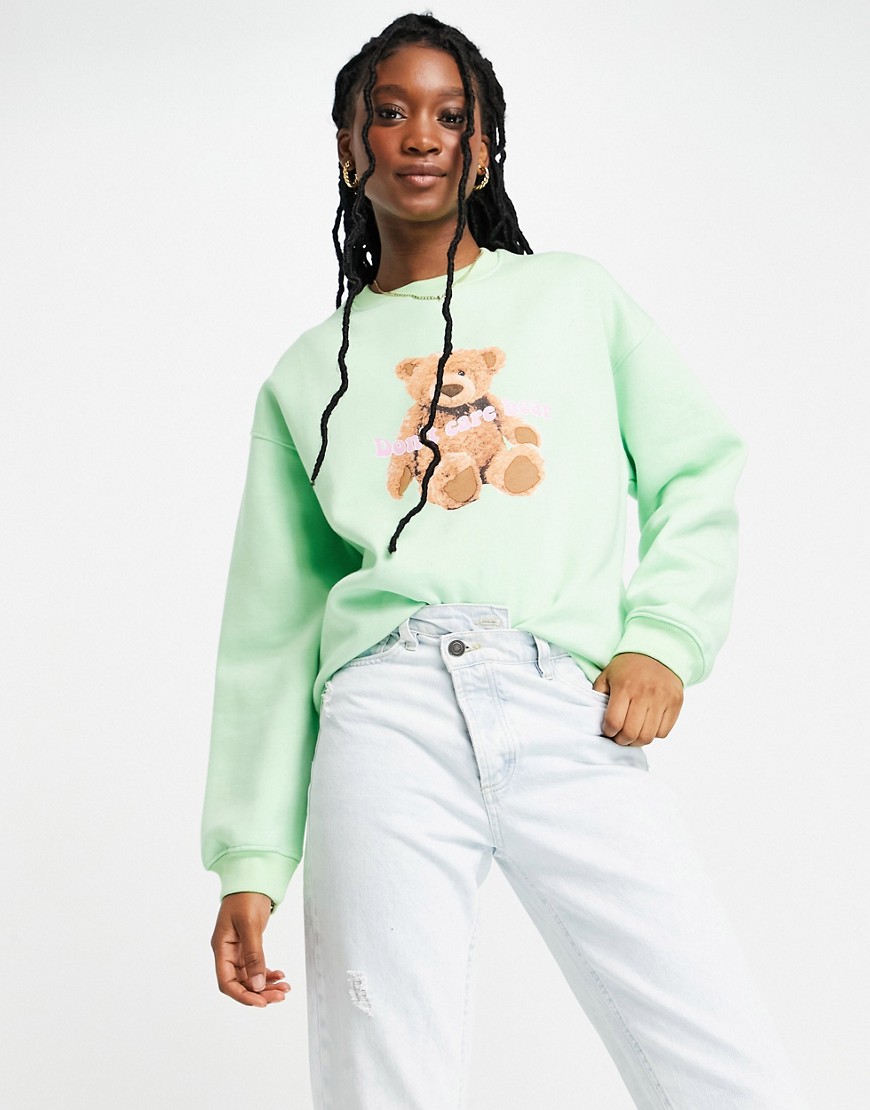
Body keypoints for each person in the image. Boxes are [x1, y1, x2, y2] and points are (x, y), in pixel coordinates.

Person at [201, 12, 810, 1109]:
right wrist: (251, 859)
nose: (421, 136)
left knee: (722, 1062)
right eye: (391, 112)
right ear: (348, 144)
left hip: (563, 698)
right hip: (384, 714)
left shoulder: (574, 297)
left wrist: (663, 637)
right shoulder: (306, 375)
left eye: (451, 115)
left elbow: (696, 465)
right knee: (387, 1079)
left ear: (484, 146)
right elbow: (270, 628)